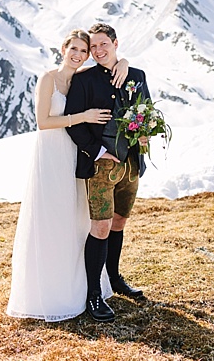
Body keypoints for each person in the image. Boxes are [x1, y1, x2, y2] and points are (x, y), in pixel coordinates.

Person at [7, 29, 128, 321]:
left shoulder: (81, 77)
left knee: (75, 220)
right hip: (50, 154)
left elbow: (109, 63)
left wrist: (122, 61)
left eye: (83, 51)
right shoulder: (48, 78)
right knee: (51, 219)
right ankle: (50, 292)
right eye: (74, 48)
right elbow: (42, 121)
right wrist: (83, 117)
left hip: (75, 154)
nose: (78, 55)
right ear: (63, 49)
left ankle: (80, 288)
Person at [65, 22, 150, 322]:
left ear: (116, 43)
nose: (99, 50)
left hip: (131, 165)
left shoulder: (136, 76)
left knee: (119, 221)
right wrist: (99, 152)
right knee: (99, 227)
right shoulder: (84, 80)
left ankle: (114, 279)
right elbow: (71, 123)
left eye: (105, 44)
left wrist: (145, 134)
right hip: (100, 166)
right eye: (95, 46)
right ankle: (93, 295)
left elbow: (146, 112)